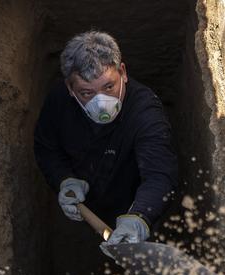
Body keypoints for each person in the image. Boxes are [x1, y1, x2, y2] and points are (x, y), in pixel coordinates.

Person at [34, 30, 178, 245]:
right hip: (89, 198)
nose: (101, 103)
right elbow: (47, 147)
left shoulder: (145, 113)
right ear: (70, 90)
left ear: (123, 72)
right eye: (87, 93)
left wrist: (140, 216)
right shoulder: (59, 103)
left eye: (108, 87)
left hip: (133, 197)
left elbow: (159, 174)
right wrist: (64, 179)